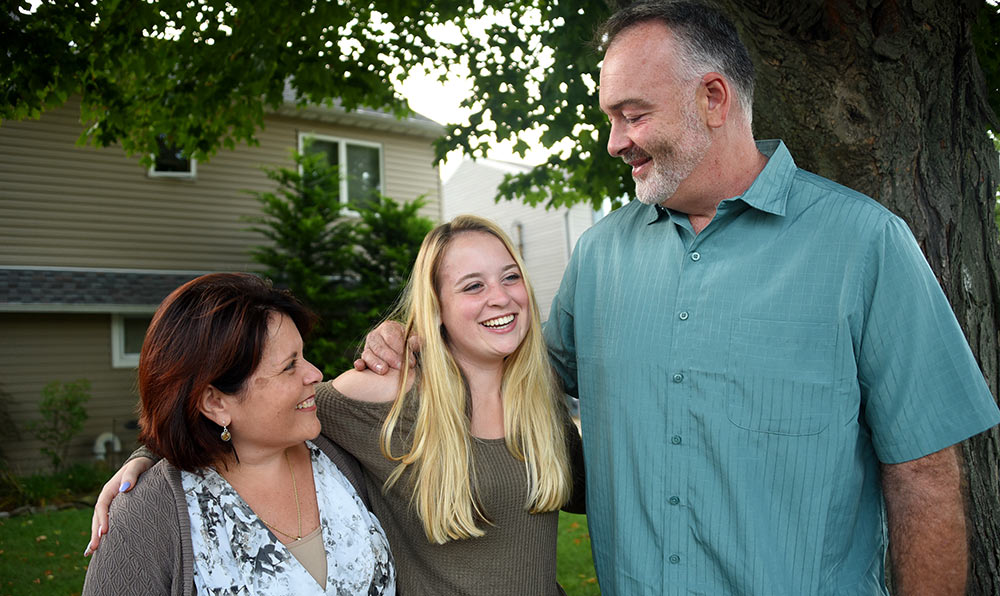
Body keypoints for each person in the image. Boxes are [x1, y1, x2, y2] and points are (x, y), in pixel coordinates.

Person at [356, 2, 1000, 595]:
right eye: (611, 119)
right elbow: (522, 391)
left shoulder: (865, 244)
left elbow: (924, 475)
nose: (615, 142)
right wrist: (418, 343)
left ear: (713, 98)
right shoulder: (601, 255)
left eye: (633, 115)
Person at [87, 216, 585, 595]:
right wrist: (148, 456)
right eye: (473, 285)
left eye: (511, 277)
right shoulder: (388, 397)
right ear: (435, 309)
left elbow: (597, 496)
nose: (500, 297)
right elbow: (237, 409)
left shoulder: (541, 399)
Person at [81, 273, 395, 595]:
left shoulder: (336, 444)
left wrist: (400, 337)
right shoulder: (148, 515)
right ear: (215, 402)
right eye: (289, 366)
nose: (315, 374)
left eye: (303, 355)